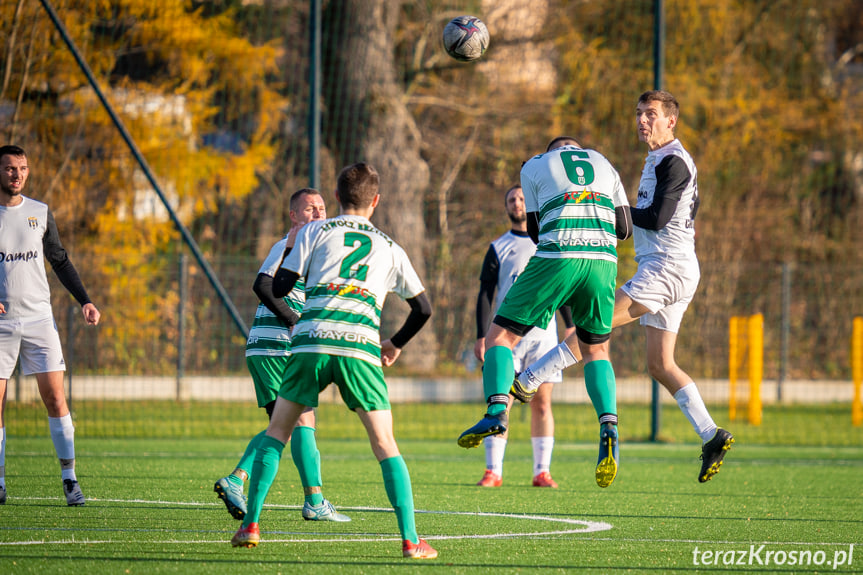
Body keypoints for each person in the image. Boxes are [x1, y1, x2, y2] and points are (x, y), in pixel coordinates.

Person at [511, 91, 734, 483]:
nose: (642, 120)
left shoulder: (674, 160)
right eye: (638, 113)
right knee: (660, 364)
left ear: (671, 121)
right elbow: (634, 223)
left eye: (651, 114)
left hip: (667, 269)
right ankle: (712, 434)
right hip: (668, 269)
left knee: (594, 328)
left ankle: (530, 379)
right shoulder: (656, 159)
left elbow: (659, 217)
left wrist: (600, 209)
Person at [230, 162, 437, 560]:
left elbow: (281, 286)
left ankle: (250, 526)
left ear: (337, 197)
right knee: (384, 443)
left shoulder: (313, 231)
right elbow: (423, 309)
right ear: (375, 201)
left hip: (309, 342)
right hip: (359, 346)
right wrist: (393, 344)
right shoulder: (390, 246)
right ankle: (411, 540)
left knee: (277, 431)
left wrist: (294, 251)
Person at [458, 136, 633, 489]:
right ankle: (609, 423)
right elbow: (625, 229)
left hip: (558, 255)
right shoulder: (602, 160)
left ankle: (496, 411)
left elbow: (536, 232)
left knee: (499, 337)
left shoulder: (535, 164)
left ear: (554, 152)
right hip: (603, 261)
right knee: (596, 349)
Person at [214, 188, 349, 523]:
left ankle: (237, 480)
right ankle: (313, 501)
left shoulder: (316, 249)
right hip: (276, 347)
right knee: (300, 420)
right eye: (308, 209)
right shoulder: (290, 243)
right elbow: (262, 284)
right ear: (293, 215)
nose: (318, 214)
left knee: (285, 424)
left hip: (278, 348)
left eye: (321, 208)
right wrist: (293, 321)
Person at [0, 144, 101, 506]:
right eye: (10, 168)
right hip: (1, 325)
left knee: (56, 397)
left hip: (39, 319)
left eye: (22, 168)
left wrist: (85, 300)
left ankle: (70, 478)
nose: (17, 175)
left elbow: (59, 260)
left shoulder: (39, 212)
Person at [473, 185, 575, 488]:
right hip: (507, 337)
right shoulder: (498, 247)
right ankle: (494, 471)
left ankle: (542, 471)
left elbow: (562, 287)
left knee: (542, 403)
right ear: (506, 207)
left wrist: (569, 325)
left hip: (544, 336)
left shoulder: (549, 243)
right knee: (500, 401)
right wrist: (481, 335)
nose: (517, 203)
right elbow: (484, 294)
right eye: (511, 200)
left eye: (521, 198)